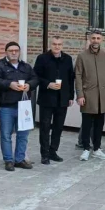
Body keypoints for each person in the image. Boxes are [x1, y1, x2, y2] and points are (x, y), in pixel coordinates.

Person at [0, 42, 38, 171]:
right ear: (6, 52)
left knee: (23, 135)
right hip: (6, 106)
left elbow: (35, 79)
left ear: (19, 52)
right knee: (6, 135)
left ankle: (19, 159)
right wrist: (9, 84)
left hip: (24, 107)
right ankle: (8, 160)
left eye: (16, 50)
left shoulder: (26, 66)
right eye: (11, 50)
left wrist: (29, 85)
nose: (13, 53)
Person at [34, 36, 74, 164]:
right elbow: (35, 76)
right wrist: (48, 84)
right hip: (47, 98)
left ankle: (53, 151)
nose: (57, 46)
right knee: (45, 127)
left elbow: (70, 79)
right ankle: (44, 154)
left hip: (62, 99)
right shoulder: (42, 58)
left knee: (58, 127)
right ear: (50, 45)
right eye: (54, 44)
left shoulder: (67, 59)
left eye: (59, 44)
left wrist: (71, 96)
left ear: (62, 46)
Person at [75, 31, 105, 162]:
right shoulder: (82, 56)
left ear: (101, 40)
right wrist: (79, 94)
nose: (95, 40)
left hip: (102, 96)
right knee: (86, 124)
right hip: (87, 96)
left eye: (98, 38)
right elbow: (78, 76)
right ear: (89, 40)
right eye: (93, 38)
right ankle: (85, 148)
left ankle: (97, 148)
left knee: (99, 124)